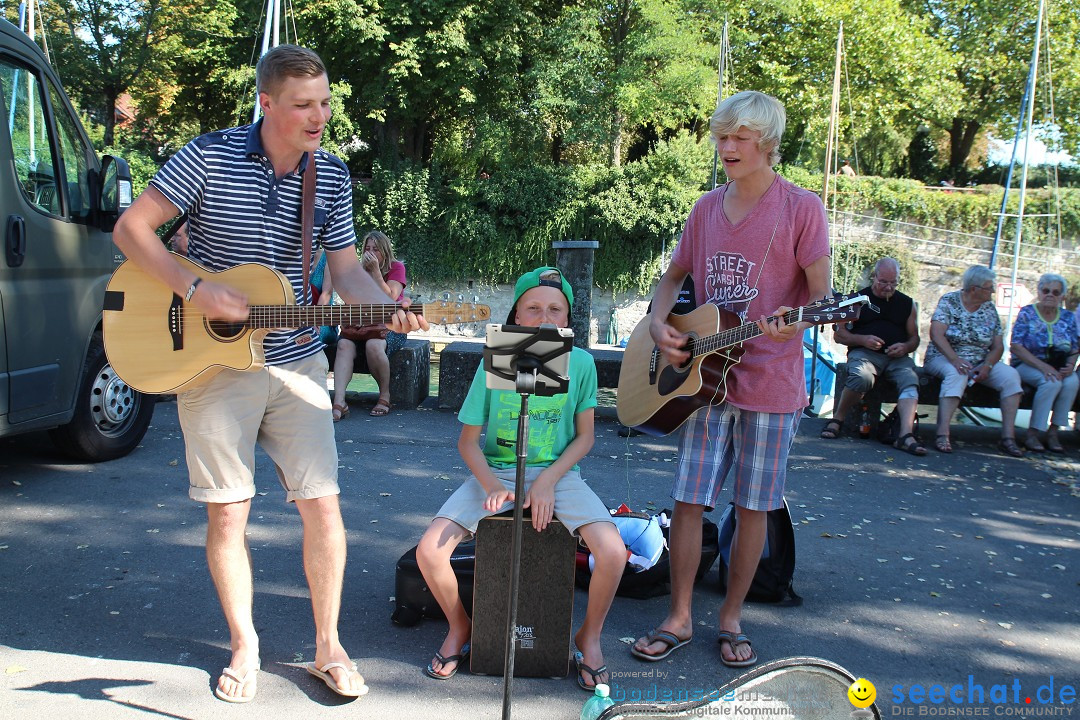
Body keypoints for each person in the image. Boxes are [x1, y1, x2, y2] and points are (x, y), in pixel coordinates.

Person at [112, 45, 427, 703]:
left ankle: (328, 647)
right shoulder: (209, 154)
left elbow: (342, 271)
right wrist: (196, 289)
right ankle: (244, 645)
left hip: (296, 357)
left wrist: (386, 302)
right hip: (209, 359)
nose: (320, 116)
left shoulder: (331, 176)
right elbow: (132, 230)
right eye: (305, 105)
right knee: (230, 514)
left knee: (324, 503)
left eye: (326, 102)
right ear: (267, 103)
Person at [630, 90, 830, 669]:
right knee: (688, 501)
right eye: (722, 136)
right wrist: (656, 320)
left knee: (753, 507)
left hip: (772, 384)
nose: (727, 147)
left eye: (740, 137)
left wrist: (796, 326)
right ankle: (678, 617)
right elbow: (672, 280)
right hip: (703, 382)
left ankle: (731, 618)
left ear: (766, 142)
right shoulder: (704, 209)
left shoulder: (801, 209)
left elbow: (822, 300)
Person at [414, 267, 626, 689]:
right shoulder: (495, 359)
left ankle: (590, 636)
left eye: (555, 309)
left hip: (559, 474)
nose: (544, 317)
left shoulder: (581, 363)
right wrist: (492, 486)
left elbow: (584, 439)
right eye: (533, 308)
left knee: (614, 553)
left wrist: (547, 481)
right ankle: (461, 626)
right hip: (496, 472)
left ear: (568, 318)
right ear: (516, 315)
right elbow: (468, 443)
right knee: (429, 551)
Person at [821, 257, 925, 455]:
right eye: (883, 282)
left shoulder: (906, 303)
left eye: (893, 282)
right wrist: (862, 340)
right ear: (874, 277)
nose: (888, 287)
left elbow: (915, 339)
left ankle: (905, 434)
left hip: (897, 357)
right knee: (862, 377)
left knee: (911, 381)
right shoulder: (857, 300)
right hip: (865, 353)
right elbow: (839, 335)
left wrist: (904, 347)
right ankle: (837, 419)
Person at [923, 265, 1023, 457]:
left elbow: (998, 346)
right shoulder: (950, 301)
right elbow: (936, 334)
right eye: (989, 287)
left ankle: (1008, 438)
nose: (993, 291)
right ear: (974, 288)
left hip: (980, 360)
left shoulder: (989, 309)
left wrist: (988, 365)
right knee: (956, 373)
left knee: (1011, 377)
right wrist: (955, 359)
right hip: (944, 356)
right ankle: (943, 433)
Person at [330, 230, 407, 420]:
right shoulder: (357, 270)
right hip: (361, 326)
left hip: (390, 326)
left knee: (374, 345)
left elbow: (390, 298)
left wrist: (374, 272)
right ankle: (339, 401)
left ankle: (384, 396)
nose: (370, 252)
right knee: (343, 345)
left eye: (376, 249)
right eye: (367, 248)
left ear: (385, 251)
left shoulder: (396, 267)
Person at [1009, 273, 1079, 452]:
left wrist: (1070, 365)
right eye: (1046, 290)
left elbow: (1075, 346)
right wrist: (1044, 367)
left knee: (1071, 382)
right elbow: (1016, 346)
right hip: (1028, 364)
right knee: (1051, 382)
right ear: (1039, 292)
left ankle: (1053, 432)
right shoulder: (1027, 313)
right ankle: (1033, 434)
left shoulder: (1068, 317)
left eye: (1056, 292)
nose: (1050, 295)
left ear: (1062, 296)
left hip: (1058, 364)